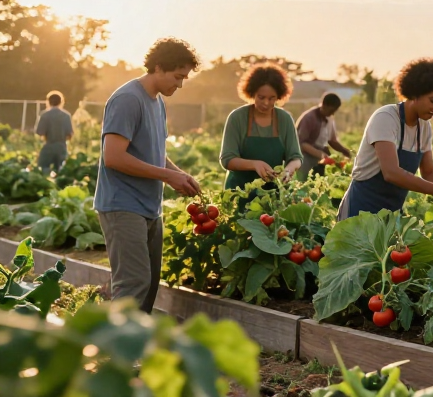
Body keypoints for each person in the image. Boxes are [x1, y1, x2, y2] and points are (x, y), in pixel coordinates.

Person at [94, 38, 201, 313]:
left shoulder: (157, 102)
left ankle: (131, 350)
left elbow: (153, 151)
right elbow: (114, 157)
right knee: (133, 284)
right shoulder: (128, 99)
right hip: (122, 205)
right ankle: (115, 354)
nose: (180, 84)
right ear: (157, 67)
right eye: (177, 77)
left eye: (184, 78)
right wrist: (167, 176)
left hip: (149, 207)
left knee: (150, 284)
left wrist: (180, 174)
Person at [338, 58, 433, 219]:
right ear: (414, 93)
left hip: (391, 215)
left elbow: (429, 171)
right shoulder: (386, 118)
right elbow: (391, 173)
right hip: (361, 209)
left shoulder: (424, 128)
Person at [220, 63, 303, 195]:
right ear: (252, 93)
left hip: (273, 194)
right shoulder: (237, 118)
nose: (266, 103)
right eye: (261, 97)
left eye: (272, 98)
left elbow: (296, 157)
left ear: (279, 96)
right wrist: (254, 164)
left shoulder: (284, 119)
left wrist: (289, 169)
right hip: (239, 193)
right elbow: (227, 159)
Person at [296, 93, 352, 178]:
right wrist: (321, 154)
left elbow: (332, 140)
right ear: (324, 105)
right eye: (331, 110)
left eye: (334, 111)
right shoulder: (309, 118)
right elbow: (302, 143)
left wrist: (344, 151)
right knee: (304, 182)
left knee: (319, 183)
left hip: (320, 157)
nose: (332, 113)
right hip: (306, 156)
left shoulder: (329, 118)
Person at [35, 90, 74, 175]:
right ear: (61, 102)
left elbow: (40, 132)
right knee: (61, 171)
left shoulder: (44, 115)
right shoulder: (66, 115)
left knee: (43, 168)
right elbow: (70, 134)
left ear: (48, 102)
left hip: (48, 145)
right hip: (61, 146)